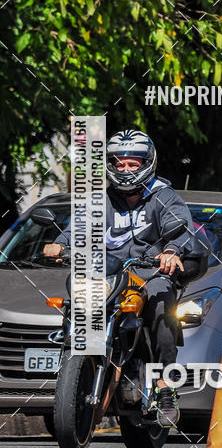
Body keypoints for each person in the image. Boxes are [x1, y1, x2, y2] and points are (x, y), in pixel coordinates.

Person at [43, 129, 206, 428]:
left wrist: (170, 252)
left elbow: (181, 231)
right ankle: (72, 362)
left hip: (149, 273)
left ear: (148, 162)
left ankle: (165, 387)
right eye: (120, 164)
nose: (126, 170)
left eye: (133, 164)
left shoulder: (163, 195)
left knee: (161, 304)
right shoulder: (99, 201)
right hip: (106, 273)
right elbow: (77, 229)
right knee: (74, 299)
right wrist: (60, 243)